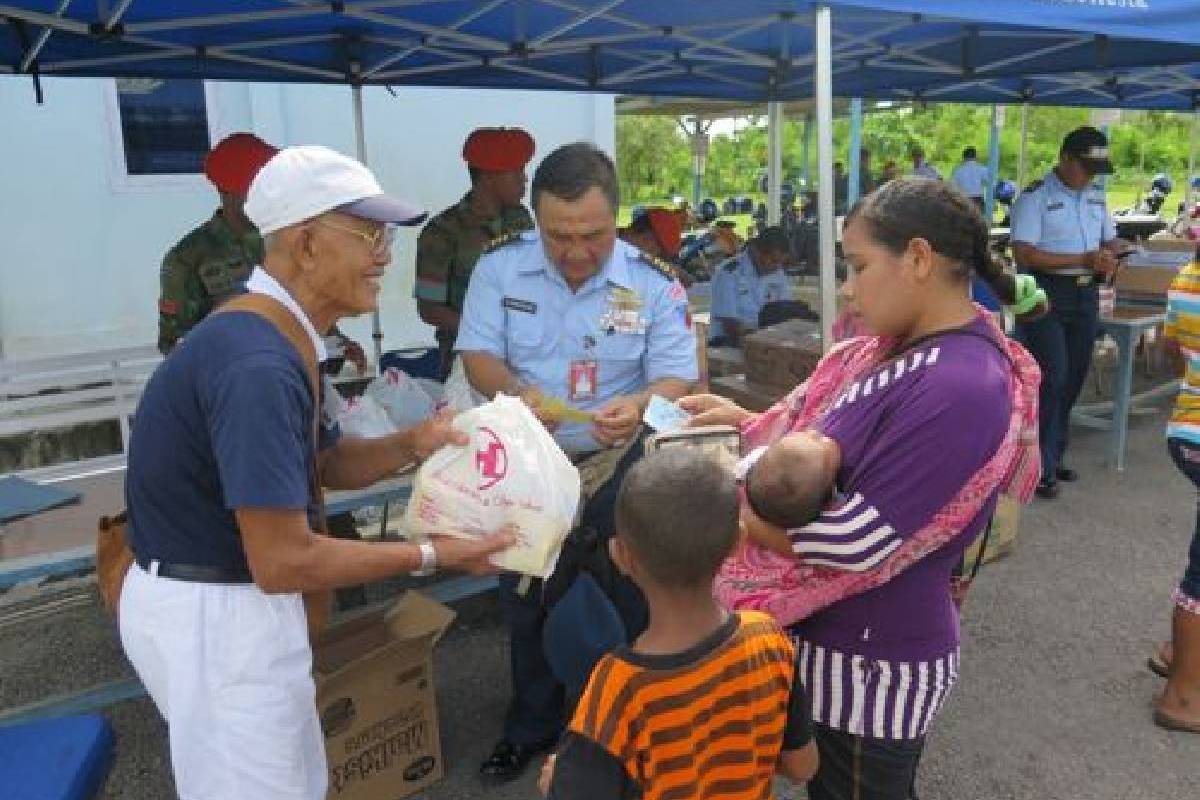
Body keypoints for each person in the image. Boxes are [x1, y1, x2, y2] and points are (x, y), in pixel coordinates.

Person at [119, 145, 515, 800]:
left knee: (295, 779)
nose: (385, 253)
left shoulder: (283, 333)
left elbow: (325, 462)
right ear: (304, 244)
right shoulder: (258, 363)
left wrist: (417, 440)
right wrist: (430, 553)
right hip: (218, 614)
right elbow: (283, 560)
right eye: (370, 233)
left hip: (234, 597)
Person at [680, 177, 1042, 798]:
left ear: (920, 258)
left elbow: (851, 542)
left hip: (872, 667)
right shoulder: (902, 351)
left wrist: (727, 509)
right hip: (841, 649)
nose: (846, 287)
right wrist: (746, 424)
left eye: (859, 266)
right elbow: (827, 440)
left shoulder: (959, 384)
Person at [456, 141, 698, 782]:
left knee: (627, 601)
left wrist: (641, 402)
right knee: (528, 596)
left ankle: (623, 733)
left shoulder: (652, 282)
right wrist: (514, 393)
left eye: (591, 235)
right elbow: (476, 354)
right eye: (556, 235)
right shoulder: (500, 269)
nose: (573, 251)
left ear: (615, 220)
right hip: (531, 462)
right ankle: (531, 726)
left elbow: (681, 374)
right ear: (536, 220)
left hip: (621, 464)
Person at [538, 449, 819, 799]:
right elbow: (801, 767)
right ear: (737, 541)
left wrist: (556, 784)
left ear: (621, 555)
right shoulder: (769, 638)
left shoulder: (617, 690)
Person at [1011, 126, 1131, 499]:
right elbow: (1024, 253)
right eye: (1086, 167)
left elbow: (1107, 236)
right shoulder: (1035, 197)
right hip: (1045, 294)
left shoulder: (1095, 196)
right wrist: (1082, 258)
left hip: (1085, 295)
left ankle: (1053, 454)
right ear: (1065, 160)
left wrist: (1119, 249)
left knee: (1075, 375)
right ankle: (1038, 466)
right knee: (1053, 375)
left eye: (1097, 169)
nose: (1091, 176)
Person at [414, 127, 536, 378]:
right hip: (468, 364)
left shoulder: (522, 220)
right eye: (517, 171)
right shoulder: (441, 233)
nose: (524, 178)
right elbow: (429, 308)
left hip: (526, 358)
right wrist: (490, 332)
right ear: (490, 176)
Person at [157, 133, 276, 354]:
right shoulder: (187, 259)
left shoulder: (283, 241)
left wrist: (338, 344)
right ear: (225, 191)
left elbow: (306, 307)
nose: (266, 198)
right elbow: (174, 345)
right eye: (253, 189)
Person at [1150, 249, 1200, 733]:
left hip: (1185, 430)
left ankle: (1181, 656)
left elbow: (1171, 350)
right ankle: (1184, 696)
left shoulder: (1186, 277)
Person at [708, 225, 794, 345]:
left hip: (765, 339)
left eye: (781, 262)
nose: (777, 266)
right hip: (727, 342)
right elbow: (729, 325)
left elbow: (786, 311)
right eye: (773, 260)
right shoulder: (728, 273)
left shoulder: (777, 273)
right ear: (756, 251)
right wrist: (763, 340)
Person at [951, 146, 989, 211]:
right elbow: (990, 183)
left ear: (964, 157)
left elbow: (953, 187)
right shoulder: (982, 169)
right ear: (976, 157)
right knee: (979, 220)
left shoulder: (958, 171)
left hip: (963, 200)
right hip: (978, 199)